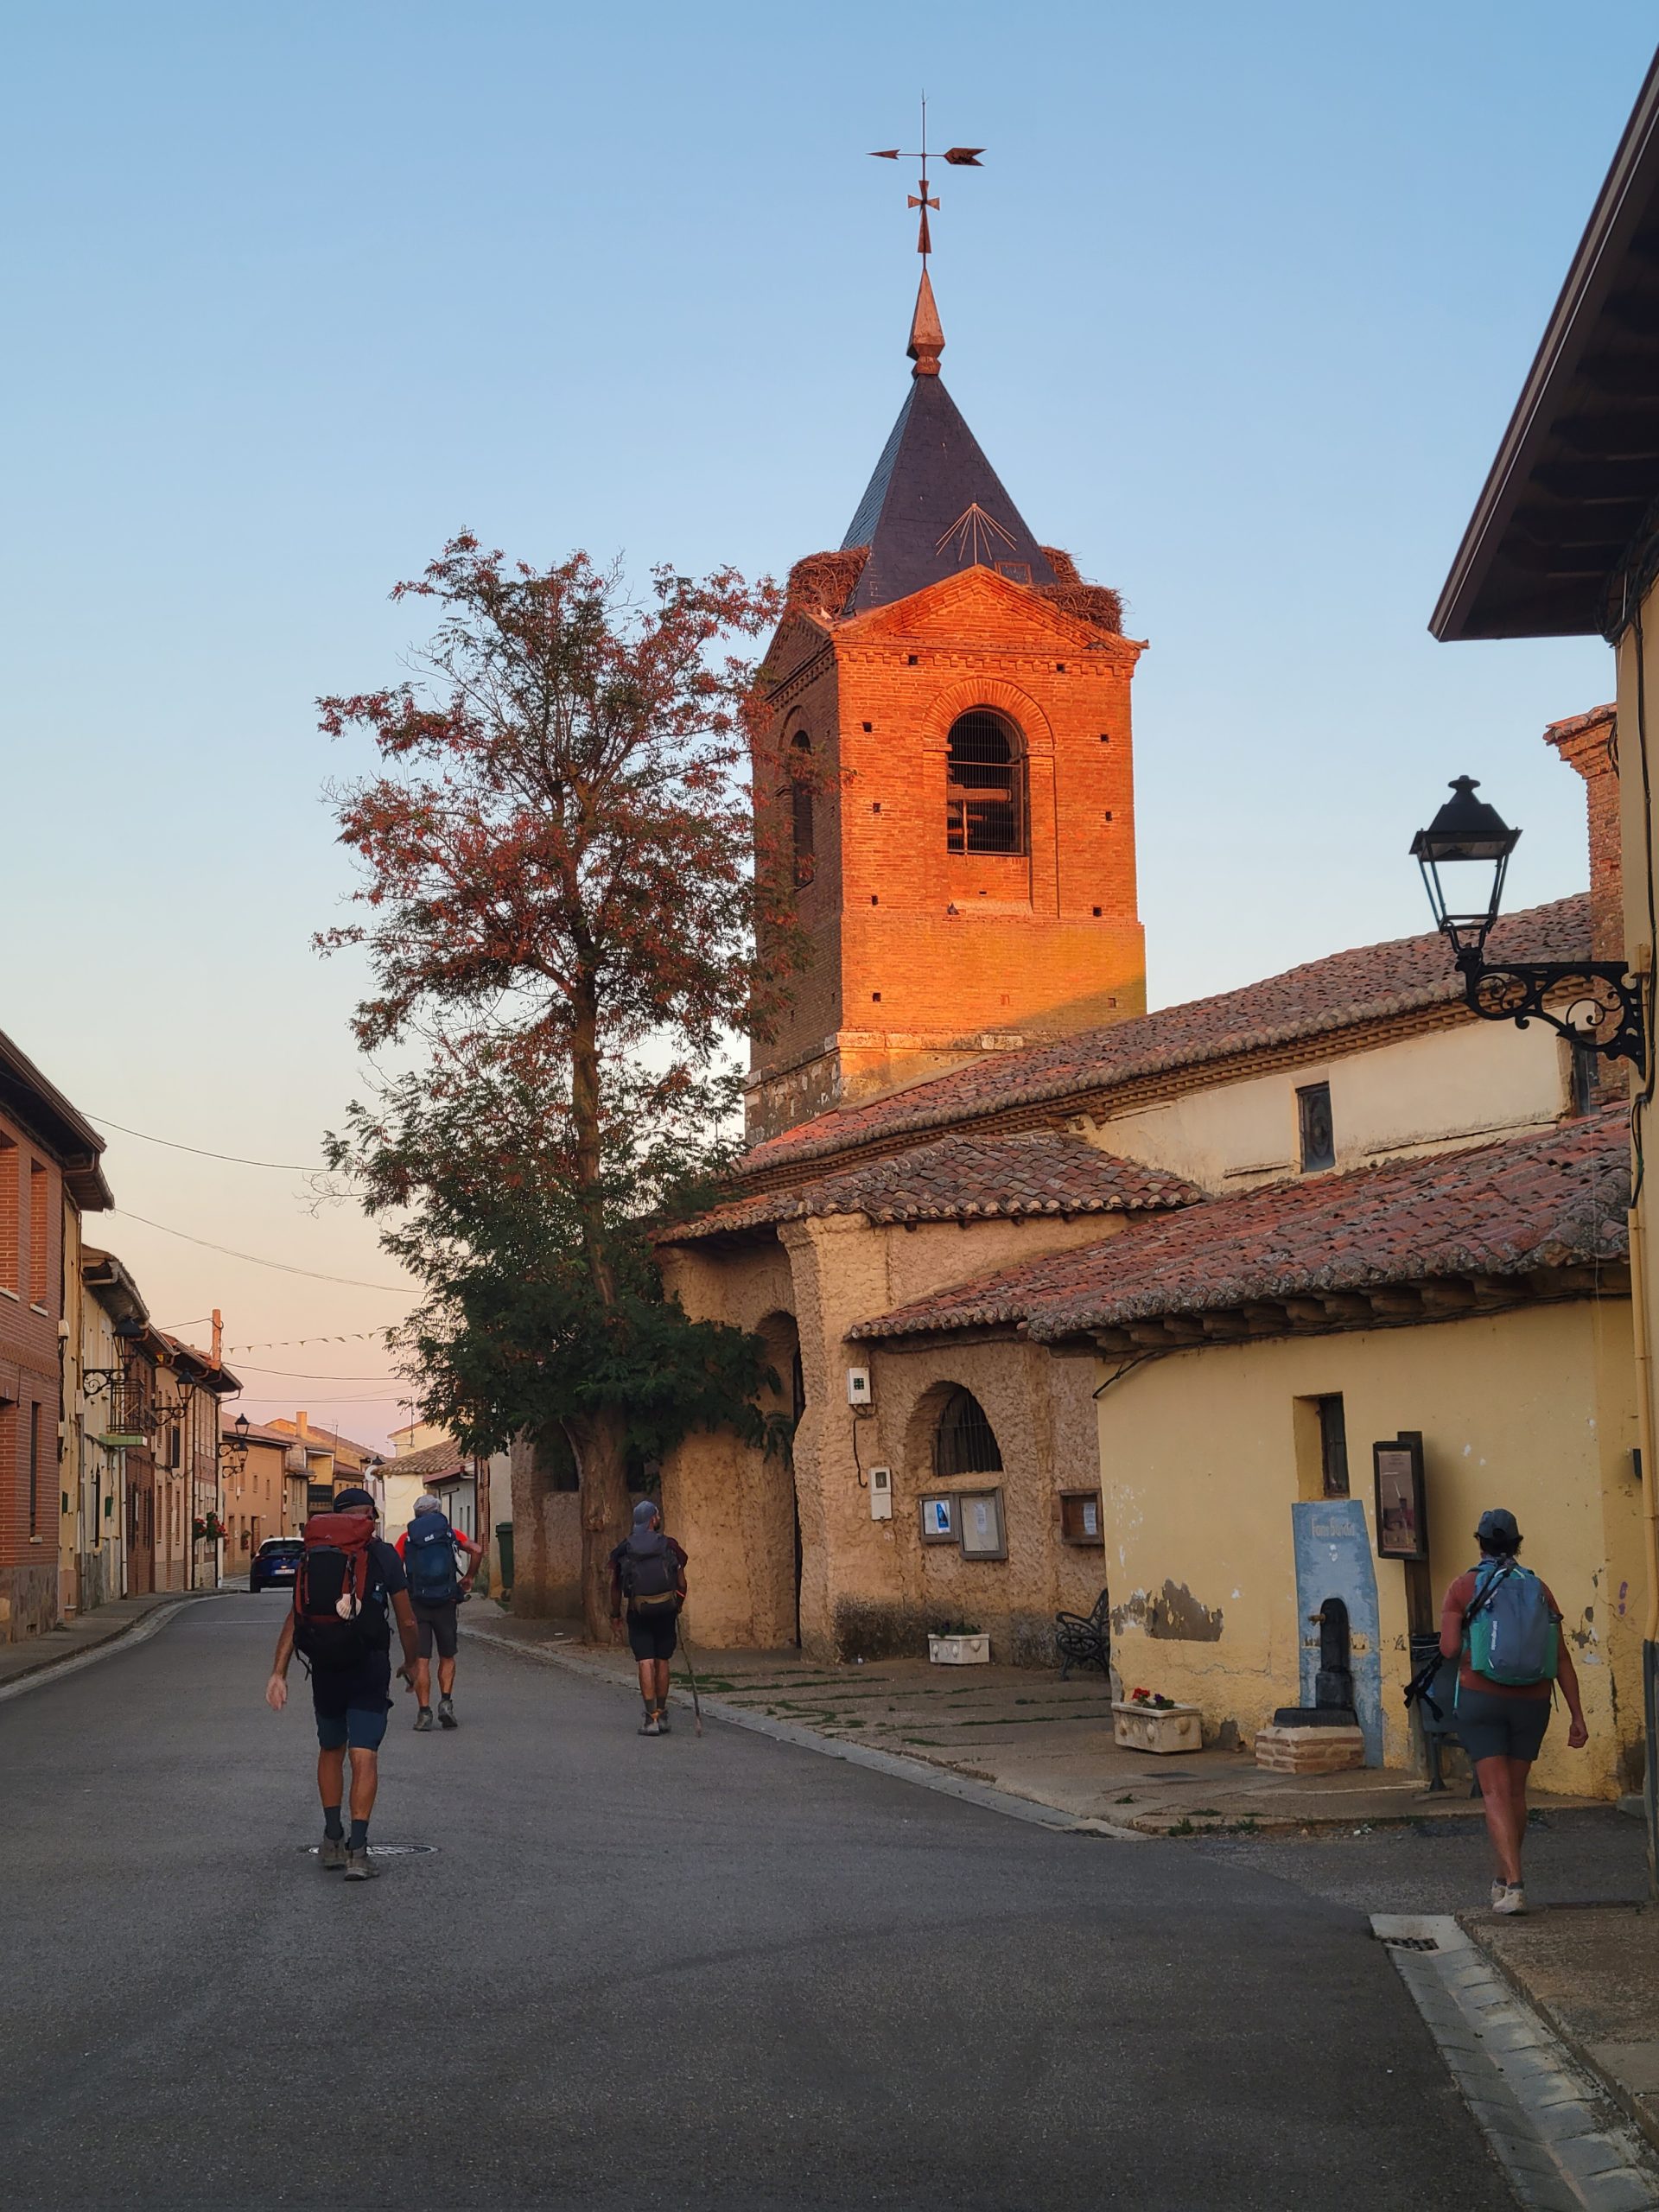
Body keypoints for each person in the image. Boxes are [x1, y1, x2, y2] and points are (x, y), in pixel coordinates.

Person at [264, 1485, 421, 1880]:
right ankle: (359, 1852)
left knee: (330, 1748)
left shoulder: (315, 1556)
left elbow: (295, 1616)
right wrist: (413, 1662)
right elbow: (406, 1619)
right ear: (369, 1517)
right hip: (368, 1665)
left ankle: (332, 1839)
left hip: (325, 1664)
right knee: (363, 1754)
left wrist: (278, 1672)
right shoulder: (382, 1554)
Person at [1440, 1507, 1587, 1915]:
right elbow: (1560, 1658)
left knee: (1494, 1792)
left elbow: (1450, 1650)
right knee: (1516, 1793)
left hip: (1481, 1698)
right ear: (1517, 1543)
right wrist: (1577, 1716)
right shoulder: (1539, 1587)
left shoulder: (1463, 1586)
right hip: (1533, 1701)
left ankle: (1517, 1885)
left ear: (1481, 1542)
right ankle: (1503, 1879)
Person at [394, 1493, 486, 1732]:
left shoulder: (407, 1538)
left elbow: (394, 1568)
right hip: (446, 1601)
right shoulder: (450, 1534)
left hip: (418, 1603)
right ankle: (446, 1703)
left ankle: (424, 1713)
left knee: (422, 1659)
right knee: (447, 1656)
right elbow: (476, 1550)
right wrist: (469, 1577)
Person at [609, 1499, 687, 1736]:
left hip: (638, 1611)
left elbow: (614, 1586)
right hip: (666, 1610)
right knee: (662, 1659)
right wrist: (678, 1604)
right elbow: (682, 1582)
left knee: (645, 1660)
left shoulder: (624, 1548)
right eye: (657, 1515)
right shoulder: (670, 1545)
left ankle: (651, 1719)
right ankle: (662, 1714)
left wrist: (615, 1614)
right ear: (653, 1520)